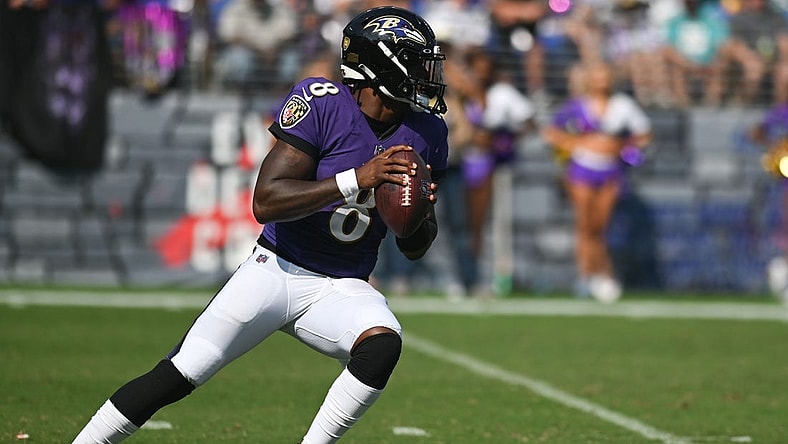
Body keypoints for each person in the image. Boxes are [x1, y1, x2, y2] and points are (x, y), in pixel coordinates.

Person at [70, 6, 449, 443]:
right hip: (276, 270)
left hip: (342, 285)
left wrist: (418, 213)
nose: (428, 73)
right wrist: (355, 180)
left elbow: (414, 246)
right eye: (417, 61)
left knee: (383, 344)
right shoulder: (323, 102)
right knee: (181, 372)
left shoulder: (427, 131)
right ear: (383, 64)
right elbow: (266, 201)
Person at [542, 61, 652, 302]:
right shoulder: (577, 105)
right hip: (582, 167)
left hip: (611, 169)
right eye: (597, 75)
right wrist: (573, 144)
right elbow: (551, 131)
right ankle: (587, 276)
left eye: (605, 75)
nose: (601, 80)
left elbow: (644, 133)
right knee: (584, 224)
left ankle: (601, 274)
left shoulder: (623, 106)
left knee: (600, 226)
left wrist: (622, 146)